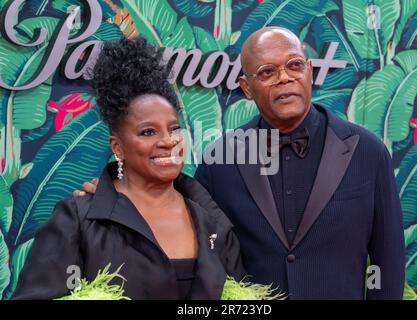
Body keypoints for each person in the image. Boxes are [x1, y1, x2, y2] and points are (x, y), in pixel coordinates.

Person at [77, 27, 406, 300]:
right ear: (247, 88)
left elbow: (387, 262)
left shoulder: (368, 152)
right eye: (267, 72)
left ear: (309, 71)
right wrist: (120, 198)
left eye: (294, 66)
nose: (284, 78)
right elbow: (181, 221)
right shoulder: (222, 160)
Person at [12, 36, 244, 300]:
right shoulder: (77, 220)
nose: (168, 141)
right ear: (118, 147)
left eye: (174, 128)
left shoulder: (212, 220)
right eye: (148, 132)